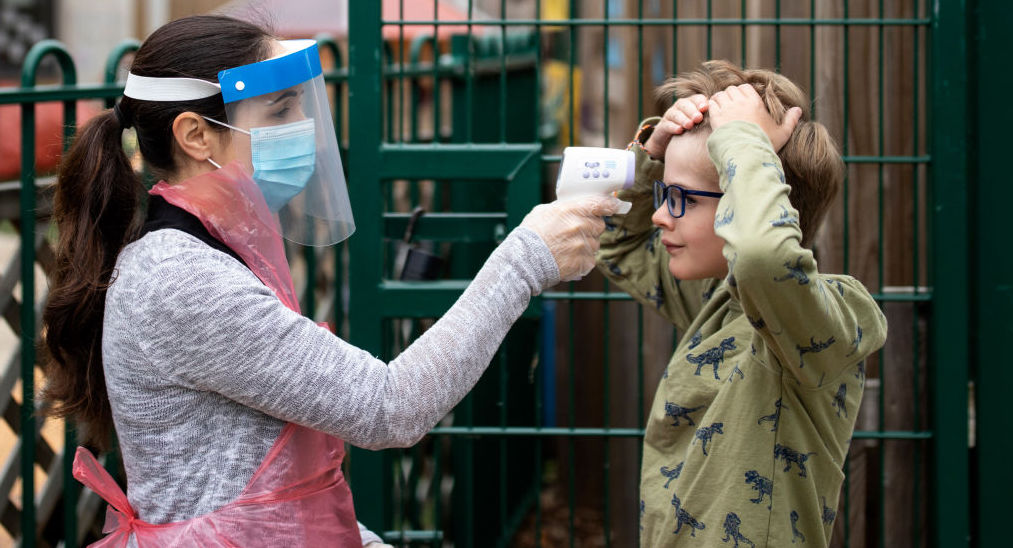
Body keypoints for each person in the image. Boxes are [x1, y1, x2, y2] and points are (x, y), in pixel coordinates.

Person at [40, 15, 619, 547]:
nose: (306, 129)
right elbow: (390, 408)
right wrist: (523, 261)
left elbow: (265, 486)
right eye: (280, 111)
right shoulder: (181, 278)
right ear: (196, 135)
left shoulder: (208, 250)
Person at [596, 60, 887, 546]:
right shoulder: (718, 298)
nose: (662, 216)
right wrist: (654, 150)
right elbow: (615, 245)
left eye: (682, 198)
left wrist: (744, 144)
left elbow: (761, 254)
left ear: (751, 195)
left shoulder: (827, 314)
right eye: (662, 194)